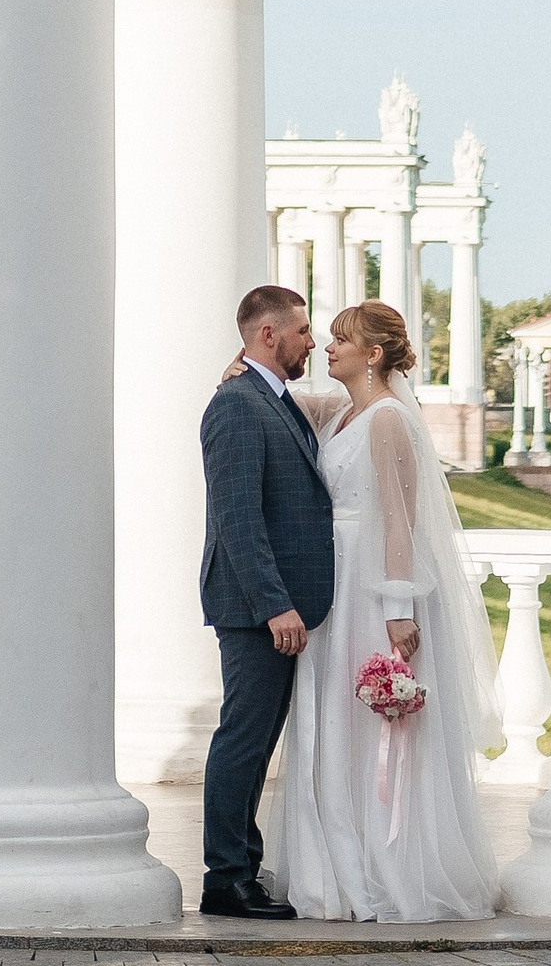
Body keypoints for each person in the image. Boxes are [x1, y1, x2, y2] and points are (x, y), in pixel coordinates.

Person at [263, 299, 505, 923]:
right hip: (332, 586)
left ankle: (380, 868)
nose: (326, 347)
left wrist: (400, 607)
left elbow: (402, 519)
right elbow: (291, 400)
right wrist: (246, 366)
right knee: (330, 724)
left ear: (373, 355)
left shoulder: (391, 420)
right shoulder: (346, 412)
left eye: (341, 339)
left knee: (368, 727)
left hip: (370, 591)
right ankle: (334, 859)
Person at [195, 281, 334, 919]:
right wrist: (275, 605)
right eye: (304, 331)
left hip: (279, 605)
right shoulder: (236, 406)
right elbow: (238, 520)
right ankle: (225, 878)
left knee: (257, 742)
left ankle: (242, 868)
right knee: (244, 740)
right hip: (256, 608)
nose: (314, 341)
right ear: (269, 334)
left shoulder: (272, 398)